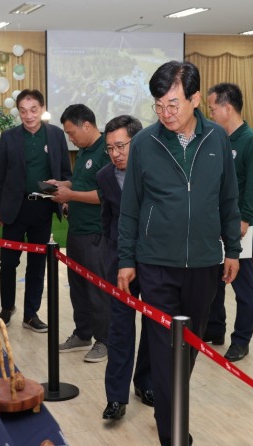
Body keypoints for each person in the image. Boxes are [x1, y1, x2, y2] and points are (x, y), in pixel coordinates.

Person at [117, 61, 241, 446]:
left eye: (172, 104)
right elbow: (131, 207)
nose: (165, 114)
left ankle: (166, 401)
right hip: (156, 264)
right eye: (158, 106)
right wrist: (126, 259)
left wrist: (232, 250)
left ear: (195, 98)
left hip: (205, 262)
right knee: (164, 345)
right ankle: (174, 435)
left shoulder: (217, 139)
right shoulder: (145, 143)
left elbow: (228, 197)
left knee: (191, 344)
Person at [0, 89, 72, 332]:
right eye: (23, 111)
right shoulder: (8, 137)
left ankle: (31, 314)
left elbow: (66, 173)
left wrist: (63, 192)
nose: (28, 116)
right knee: (8, 262)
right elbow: (0, 175)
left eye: (33, 110)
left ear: (42, 108)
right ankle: (7, 308)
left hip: (43, 208)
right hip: (14, 208)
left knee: (38, 264)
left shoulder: (56, 136)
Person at [204, 83, 253, 362]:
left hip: (238, 227)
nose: (210, 114)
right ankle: (215, 329)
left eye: (212, 108)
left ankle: (241, 340)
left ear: (227, 108)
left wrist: (245, 221)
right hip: (213, 224)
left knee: (242, 283)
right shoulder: (218, 138)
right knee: (214, 281)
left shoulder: (250, 140)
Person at [97, 115, 152, 421]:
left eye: (121, 146)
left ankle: (145, 384)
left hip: (154, 261)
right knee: (119, 328)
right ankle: (115, 398)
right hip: (119, 262)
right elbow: (108, 218)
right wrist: (111, 253)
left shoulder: (153, 169)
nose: (115, 153)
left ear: (137, 142)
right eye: (110, 148)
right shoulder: (105, 176)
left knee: (154, 326)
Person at [49, 104, 110, 363]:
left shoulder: (108, 150)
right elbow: (84, 182)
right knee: (77, 287)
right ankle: (83, 332)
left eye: (72, 133)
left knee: (97, 289)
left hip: (96, 233)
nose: (70, 139)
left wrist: (70, 195)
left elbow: (105, 194)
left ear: (87, 125)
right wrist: (63, 185)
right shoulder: (85, 150)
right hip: (76, 230)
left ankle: (104, 340)